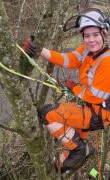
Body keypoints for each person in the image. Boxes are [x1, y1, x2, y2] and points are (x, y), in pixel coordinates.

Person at [24, 8, 110, 173]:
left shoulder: (106, 61)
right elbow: (68, 59)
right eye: (86, 36)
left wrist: (73, 87)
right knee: (67, 151)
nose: (91, 40)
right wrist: (40, 51)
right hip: (88, 107)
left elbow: (95, 97)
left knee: (48, 114)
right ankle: (60, 168)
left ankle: (80, 149)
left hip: (98, 111)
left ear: (104, 35)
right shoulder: (86, 50)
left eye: (95, 35)